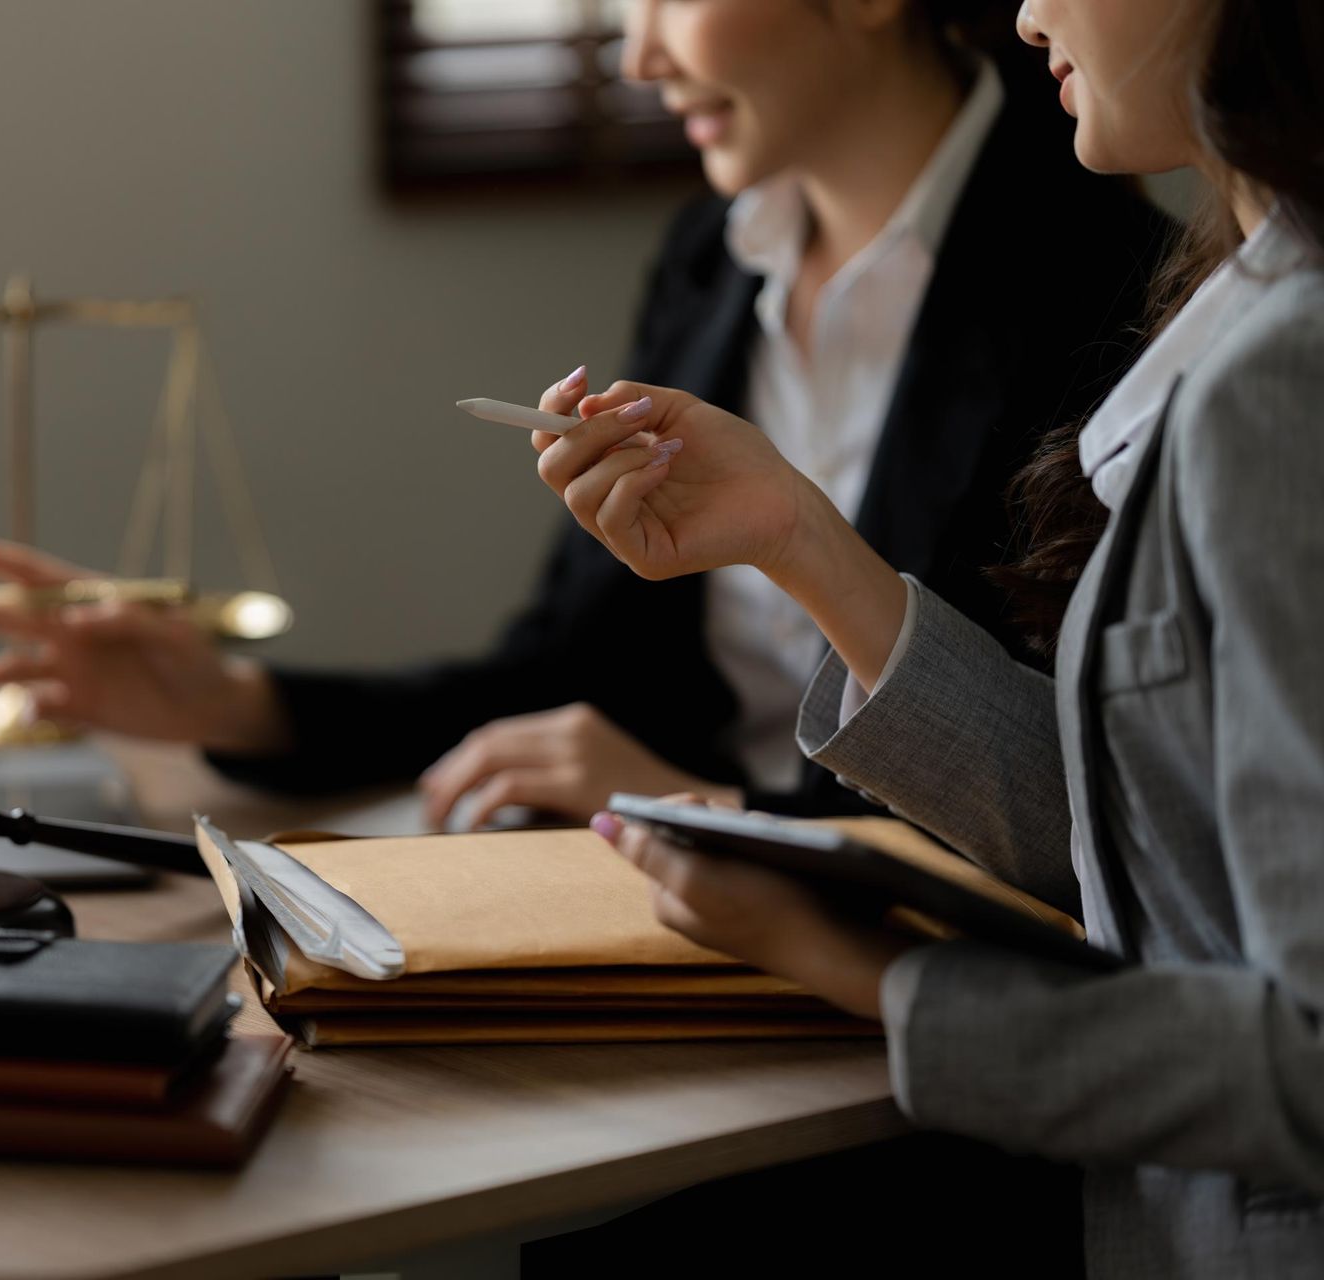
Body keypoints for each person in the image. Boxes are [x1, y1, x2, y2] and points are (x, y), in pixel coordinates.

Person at [0, 0, 1168, 831]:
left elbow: (1071, 813)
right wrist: (242, 703)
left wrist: (697, 807)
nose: (637, 55)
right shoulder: (713, 262)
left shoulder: (1112, 291)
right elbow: (565, 674)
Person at [549, 0, 1324, 1272]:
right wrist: (799, 536)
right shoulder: (1244, 316)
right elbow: (1144, 849)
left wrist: (863, 969)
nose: (1022, 11)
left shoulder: (1284, 385)